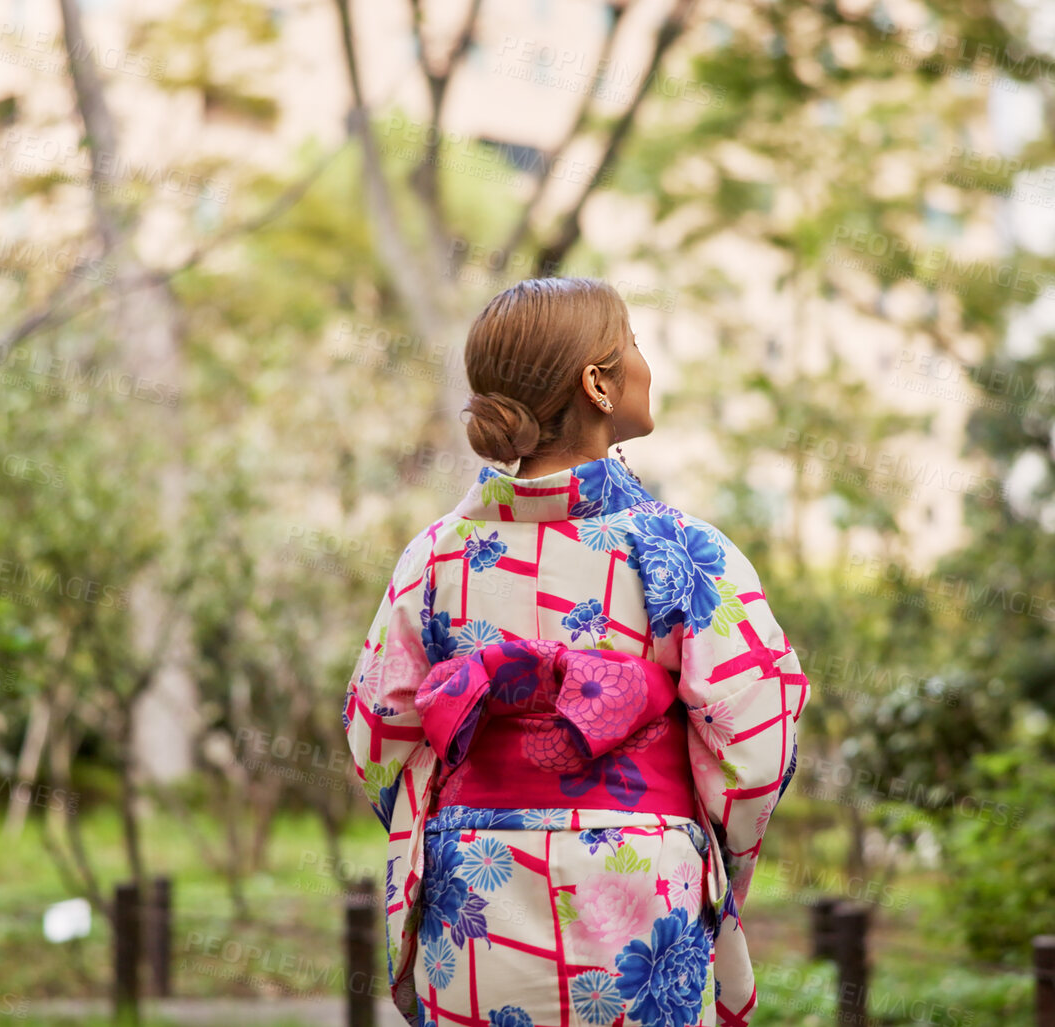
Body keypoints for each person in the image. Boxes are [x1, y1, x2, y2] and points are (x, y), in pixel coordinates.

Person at [343, 277, 810, 1027]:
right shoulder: (682, 550)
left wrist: (461, 816)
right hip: (638, 887)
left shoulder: (434, 558)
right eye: (632, 345)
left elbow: (376, 738)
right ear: (598, 382)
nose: (643, 364)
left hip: (474, 891)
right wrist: (708, 845)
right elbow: (754, 747)